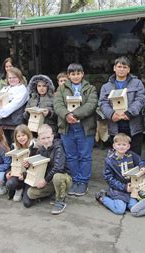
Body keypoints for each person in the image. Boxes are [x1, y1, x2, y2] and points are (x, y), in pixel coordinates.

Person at [54, 63, 98, 197]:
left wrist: (76, 114)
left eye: (78, 73)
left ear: (83, 74)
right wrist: (66, 115)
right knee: (71, 155)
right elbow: (57, 104)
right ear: (68, 75)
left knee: (85, 155)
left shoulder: (90, 89)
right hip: (67, 128)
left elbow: (91, 104)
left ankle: (83, 181)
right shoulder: (61, 89)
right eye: (73, 74)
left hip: (85, 127)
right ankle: (76, 180)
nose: (76, 76)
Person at [99, 56, 145, 155]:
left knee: (135, 155)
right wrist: (111, 114)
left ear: (128, 70)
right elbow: (103, 103)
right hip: (115, 126)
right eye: (119, 66)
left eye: (124, 67)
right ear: (114, 68)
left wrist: (129, 113)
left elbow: (140, 99)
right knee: (118, 156)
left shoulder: (137, 83)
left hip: (134, 125)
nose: (121, 69)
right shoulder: (106, 87)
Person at [22, 124, 72, 215]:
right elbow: (38, 166)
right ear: (39, 139)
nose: (46, 141)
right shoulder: (40, 150)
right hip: (49, 179)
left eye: (48, 137)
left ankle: (61, 199)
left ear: (52, 136)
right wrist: (28, 166)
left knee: (57, 177)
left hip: (63, 177)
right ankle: (53, 193)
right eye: (43, 138)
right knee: (31, 193)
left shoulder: (58, 148)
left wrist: (45, 180)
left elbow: (58, 168)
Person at [95, 133, 145, 215]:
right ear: (114, 146)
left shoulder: (131, 155)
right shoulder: (110, 160)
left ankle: (123, 202)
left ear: (128, 146)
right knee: (120, 210)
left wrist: (142, 166)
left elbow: (141, 161)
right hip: (118, 190)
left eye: (124, 144)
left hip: (131, 189)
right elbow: (109, 178)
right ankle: (102, 197)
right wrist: (124, 187)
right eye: (119, 144)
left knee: (134, 208)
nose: (121, 147)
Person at [0, 67, 29, 145]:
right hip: (3, 123)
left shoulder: (22, 89)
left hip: (15, 123)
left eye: (14, 77)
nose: (12, 79)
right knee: (5, 146)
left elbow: (14, 105)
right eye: (10, 78)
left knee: (15, 146)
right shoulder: (5, 88)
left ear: (19, 78)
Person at [5, 124, 37, 201]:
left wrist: (25, 175)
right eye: (18, 136)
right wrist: (9, 172)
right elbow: (10, 162)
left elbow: (36, 166)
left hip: (30, 175)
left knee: (27, 202)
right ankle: (18, 188)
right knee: (10, 183)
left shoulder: (34, 147)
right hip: (18, 174)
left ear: (28, 135)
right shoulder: (14, 147)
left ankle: (25, 189)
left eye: (23, 135)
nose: (21, 138)